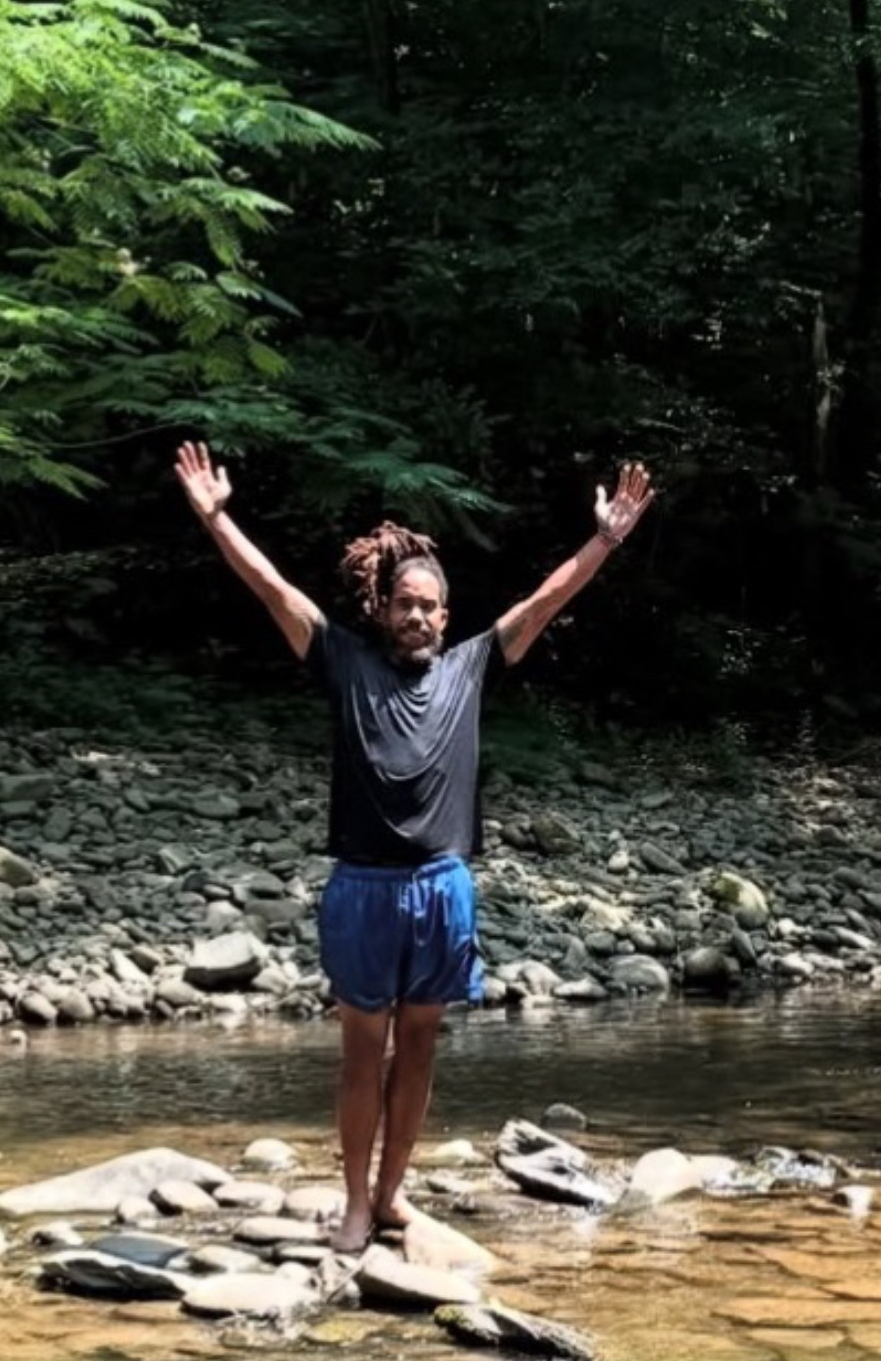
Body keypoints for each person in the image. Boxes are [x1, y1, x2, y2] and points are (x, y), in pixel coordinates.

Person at [175, 441, 654, 1251]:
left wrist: (605, 538)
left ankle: (391, 1194)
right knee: (362, 1053)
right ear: (384, 608)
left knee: (421, 1047)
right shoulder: (342, 660)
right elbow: (272, 587)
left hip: (442, 885)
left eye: (431, 606)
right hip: (362, 888)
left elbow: (545, 599)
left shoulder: (469, 667)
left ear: (446, 615)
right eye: (406, 604)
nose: (419, 617)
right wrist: (217, 519)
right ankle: (353, 1204)